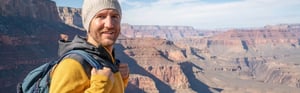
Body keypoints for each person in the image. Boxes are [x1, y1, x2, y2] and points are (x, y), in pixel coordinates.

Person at [49, 0, 129, 92]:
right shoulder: (72, 64)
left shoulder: (107, 60)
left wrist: (121, 80)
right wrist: (100, 87)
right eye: (101, 16)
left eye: (115, 16)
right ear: (88, 23)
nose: (109, 24)